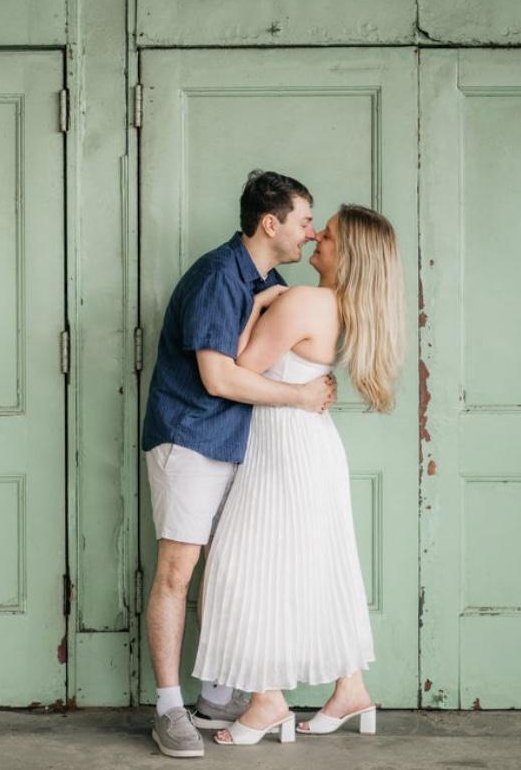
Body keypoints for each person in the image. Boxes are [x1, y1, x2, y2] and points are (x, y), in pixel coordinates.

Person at [192, 204, 405, 746]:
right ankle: (350, 688)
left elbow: (237, 367)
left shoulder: (303, 301)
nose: (316, 238)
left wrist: (259, 301)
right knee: (317, 566)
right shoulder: (346, 306)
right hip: (311, 447)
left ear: (348, 253)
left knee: (247, 568)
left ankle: (266, 701)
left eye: (327, 235)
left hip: (282, 448)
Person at [142, 170, 337, 759]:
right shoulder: (215, 277)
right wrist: (303, 397)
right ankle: (169, 709)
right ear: (270, 222)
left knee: (228, 572)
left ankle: (217, 696)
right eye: (304, 221)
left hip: (236, 445)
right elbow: (219, 376)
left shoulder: (267, 281)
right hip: (190, 440)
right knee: (177, 572)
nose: (309, 233)